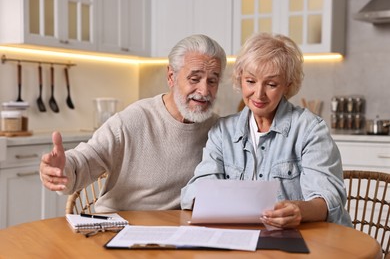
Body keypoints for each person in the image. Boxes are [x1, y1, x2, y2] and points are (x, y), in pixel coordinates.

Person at [181, 32, 352, 228]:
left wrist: (299, 210)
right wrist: (206, 198)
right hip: (245, 238)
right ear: (240, 78)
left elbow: (329, 200)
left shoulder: (310, 129)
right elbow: (196, 190)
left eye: (271, 84)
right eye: (251, 81)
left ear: (287, 85)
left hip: (308, 240)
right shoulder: (222, 132)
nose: (259, 94)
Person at [39, 34, 227, 212]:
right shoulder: (134, 120)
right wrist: (62, 169)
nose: (204, 90)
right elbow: (87, 160)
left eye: (212, 81)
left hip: (177, 233)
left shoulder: (219, 131)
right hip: (119, 228)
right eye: (194, 79)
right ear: (171, 76)